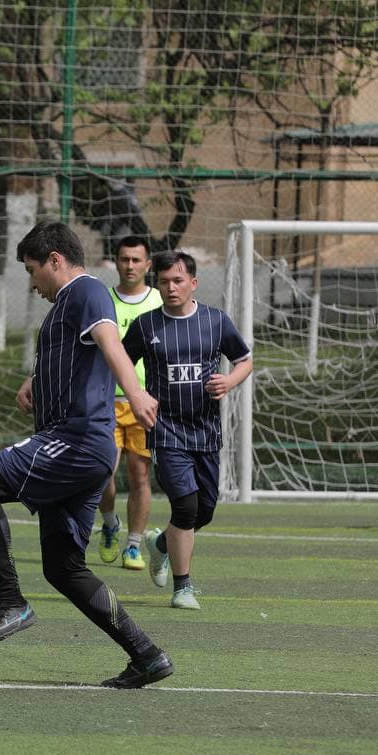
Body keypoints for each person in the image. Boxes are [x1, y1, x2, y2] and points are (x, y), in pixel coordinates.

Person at [0, 220, 173, 688]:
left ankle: (11, 600)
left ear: (56, 261)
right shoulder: (63, 309)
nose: (31, 284)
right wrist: (39, 379)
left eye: (33, 271)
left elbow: (110, 342)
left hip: (75, 440)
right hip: (82, 450)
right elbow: (79, 354)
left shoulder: (86, 290)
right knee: (61, 567)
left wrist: (134, 392)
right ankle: (147, 655)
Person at [123, 251, 253, 610]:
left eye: (178, 280)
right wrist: (133, 395)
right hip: (166, 431)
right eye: (163, 282)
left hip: (206, 431)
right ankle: (183, 588)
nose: (170, 287)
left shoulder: (214, 321)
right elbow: (119, 363)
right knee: (185, 505)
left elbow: (244, 360)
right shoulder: (146, 326)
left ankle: (161, 544)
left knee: (204, 511)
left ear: (193, 283)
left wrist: (229, 381)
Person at [96, 235, 163, 570]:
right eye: (125, 259)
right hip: (107, 401)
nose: (130, 266)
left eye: (137, 260)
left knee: (139, 476)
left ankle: (134, 546)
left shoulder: (159, 303)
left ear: (148, 265)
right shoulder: (103, 301)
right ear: (116, 262)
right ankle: (109, 524)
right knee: (101, 472)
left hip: (145, 403)